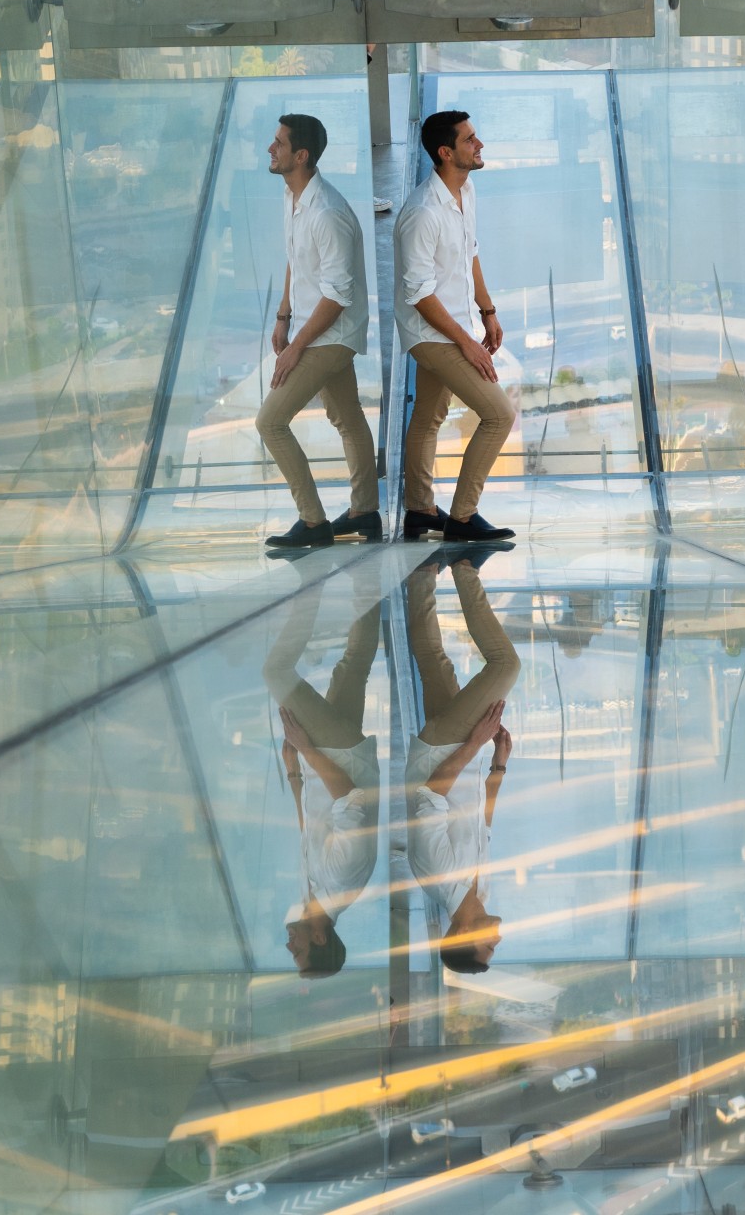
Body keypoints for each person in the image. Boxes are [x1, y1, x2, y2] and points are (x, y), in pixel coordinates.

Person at [258, 112, 381, 550]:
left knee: (270, 422)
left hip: (331, 334)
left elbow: (338, 296)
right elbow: (296, 258)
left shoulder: (328, 212)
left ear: (301, 155)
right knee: (347, 418)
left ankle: (313, 523)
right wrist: (283, 316)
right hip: (313, 327)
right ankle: (366, 512)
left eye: (279, 143)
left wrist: (297, 348)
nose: (271, 149)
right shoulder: (294, 199)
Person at [395, 111, 516, 544]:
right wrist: (467, 343)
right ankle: (462, 519)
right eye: (470, 140)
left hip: (457, 325)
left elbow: (471, 253)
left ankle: (419, 511)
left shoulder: (466, 190)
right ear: (446, 152)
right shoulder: (422, 213)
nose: (479, 144)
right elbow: (419, 295)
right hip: (431, 333)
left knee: (428, 417)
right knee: (499, 414)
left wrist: (487, 311)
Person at [403, 553, 520, 975]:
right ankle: (422, 574)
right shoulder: (479, 891)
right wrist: (497, 767)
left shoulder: (438, 877)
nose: (497, 941)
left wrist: (475, 740)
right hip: (463, 757)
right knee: (434, 661)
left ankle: (464, 565)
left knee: (506, 665)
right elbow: (481, 823)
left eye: (487, 948)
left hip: (442, 751)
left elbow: (431, 793)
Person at [269, 582, 384, 976]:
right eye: (297, 953)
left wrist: (294, 774)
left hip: (329, 761)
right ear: (319, 940)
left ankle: (370, 570)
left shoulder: (314, 895)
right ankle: (310, 584)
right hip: (340, 757)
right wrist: (305, 747)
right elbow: (350, 798)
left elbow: (310, 830)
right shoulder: (343, 880)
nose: (290, 945)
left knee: (354, 663)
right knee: (276, 672)